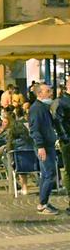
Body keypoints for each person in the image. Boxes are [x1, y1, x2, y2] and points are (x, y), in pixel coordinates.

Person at [30, 83, 60, 215]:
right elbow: (34, 129)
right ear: (39, 93)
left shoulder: (42, 107)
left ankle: (44, 202)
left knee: (46, 174)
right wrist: (40, 146)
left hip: (47, 145)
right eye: (47, 91)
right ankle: (42, 204)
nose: (50, 93)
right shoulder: (37, 109)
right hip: (44, 146)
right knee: (49, 174)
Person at [55, 77, 70, 213]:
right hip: (68, 141)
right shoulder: (63, 102)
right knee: (69, 171)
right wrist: (65, 138)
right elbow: (58, 122)